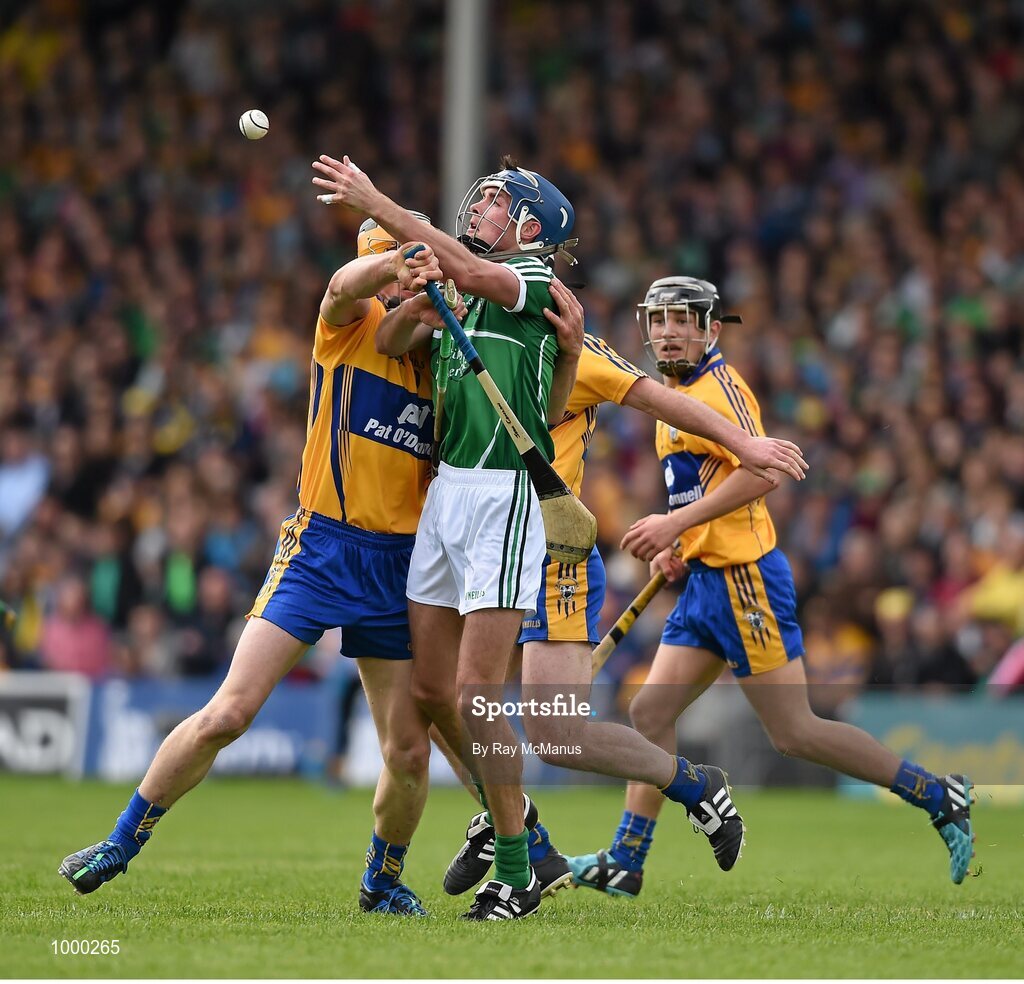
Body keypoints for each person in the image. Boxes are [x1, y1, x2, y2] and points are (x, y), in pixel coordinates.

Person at [58, 216, 453, 917]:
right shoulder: (346, 327)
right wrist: (399, 263)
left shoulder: (441, 365)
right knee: (229, 713)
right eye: (391, 273)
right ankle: (118, 844)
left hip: (399, 565)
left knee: (408, 753)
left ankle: (382, 882)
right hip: (321, 548)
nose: (403, 289)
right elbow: (340, 285)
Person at [564, 276, 976, 896]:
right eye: (659, 320)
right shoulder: (666, 396)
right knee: (649, 711)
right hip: (704, 579)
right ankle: (627, 859)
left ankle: (937, 794)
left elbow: (764, 474)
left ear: (710, 329)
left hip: (746, 581)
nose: (669, 332)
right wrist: (681, 543)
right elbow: (701, 489)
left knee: (795, 732)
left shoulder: (722, 390)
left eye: (684, 321)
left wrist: (676, 522)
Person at [418, 284, 810, 899]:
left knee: (557, 735)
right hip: (476, 547)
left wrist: (741, 445)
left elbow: (662, 400)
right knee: (441, 701)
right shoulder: (461, 340)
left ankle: (692, 787)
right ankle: (520, 834)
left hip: (550, 555)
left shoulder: (570, 348)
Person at [314, 153, 589, 919]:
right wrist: (416, 296)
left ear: (532, 228)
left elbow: (543, 391)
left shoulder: (537, 282)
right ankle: (521, 843)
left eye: (499, 203)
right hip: (445, 495)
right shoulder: (459, 289)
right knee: (434, 693)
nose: (483, 207)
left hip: (503, 497)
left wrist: (378, 203)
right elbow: (397, 346)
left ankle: (516, 865)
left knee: (475, 693)